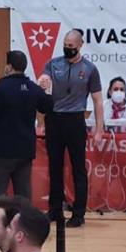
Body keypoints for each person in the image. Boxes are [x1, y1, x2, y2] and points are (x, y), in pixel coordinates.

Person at [40, 30, 104, 228]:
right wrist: (42, 81)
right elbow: (44, 86)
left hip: (75, 120)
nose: (68, 49)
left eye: (71, 46)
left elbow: (98, 100)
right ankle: (54, 211)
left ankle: (78, 213)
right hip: (54, 119)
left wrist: (99, 129)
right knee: (55, 167)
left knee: (78, 169)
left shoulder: (90, 69)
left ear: (80, 45)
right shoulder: (53, 64)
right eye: (65, 45)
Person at [0, 51, 54, 208]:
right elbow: (47, 107)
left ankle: (0, 227)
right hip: (25, 150)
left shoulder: (0, 86)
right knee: (23, 193)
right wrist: (47, 91)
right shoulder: (33, 88)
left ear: (9, 66)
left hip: (1, 150)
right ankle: (25, 227)